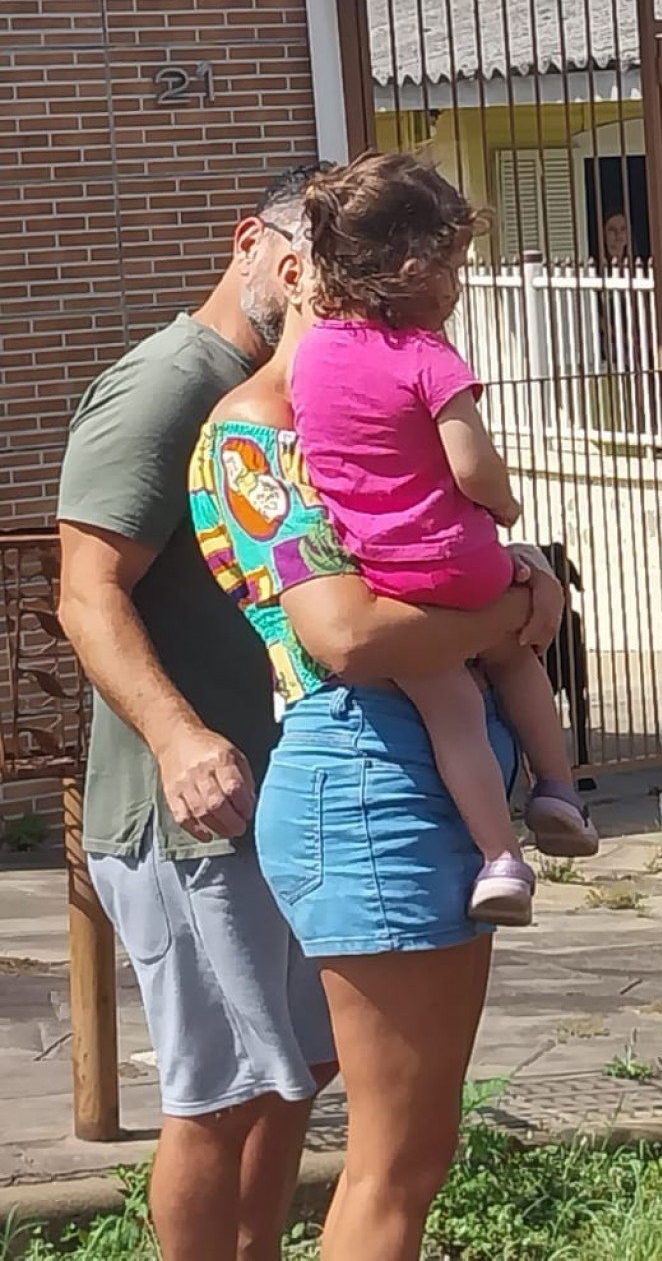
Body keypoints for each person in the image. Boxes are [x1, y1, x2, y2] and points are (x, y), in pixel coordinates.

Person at [191, 218, 565, 1261]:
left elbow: (444, 550)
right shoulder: (257, 438)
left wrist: (520, 572)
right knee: (394, 1159)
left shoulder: (365, 418)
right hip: (366, 781)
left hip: (416, 784)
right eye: (406, 271)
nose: (425, 296)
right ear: (308, 270)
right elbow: (345, 635)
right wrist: (510, 614)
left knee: (417, 1148)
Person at [55, 167, 342, 1261]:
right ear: (253, 247)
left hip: (275, 796)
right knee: (217, 1092)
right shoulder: (172, 383)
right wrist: (178, 737)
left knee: (299, 1069)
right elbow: (86, 592)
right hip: (181, 815)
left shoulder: (287, 391)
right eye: (314, 264)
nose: (330, 292)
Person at [287, 153, 597, 926]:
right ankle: (557, 789)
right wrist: (508, 506)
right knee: (516, 653)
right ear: (410, 267)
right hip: (459, 562)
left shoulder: (314, 355)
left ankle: (501, 861)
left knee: (450, 704)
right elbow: (471, 466)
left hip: (379, 574)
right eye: (452, 269)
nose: (457, 289)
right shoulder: (428, 358)